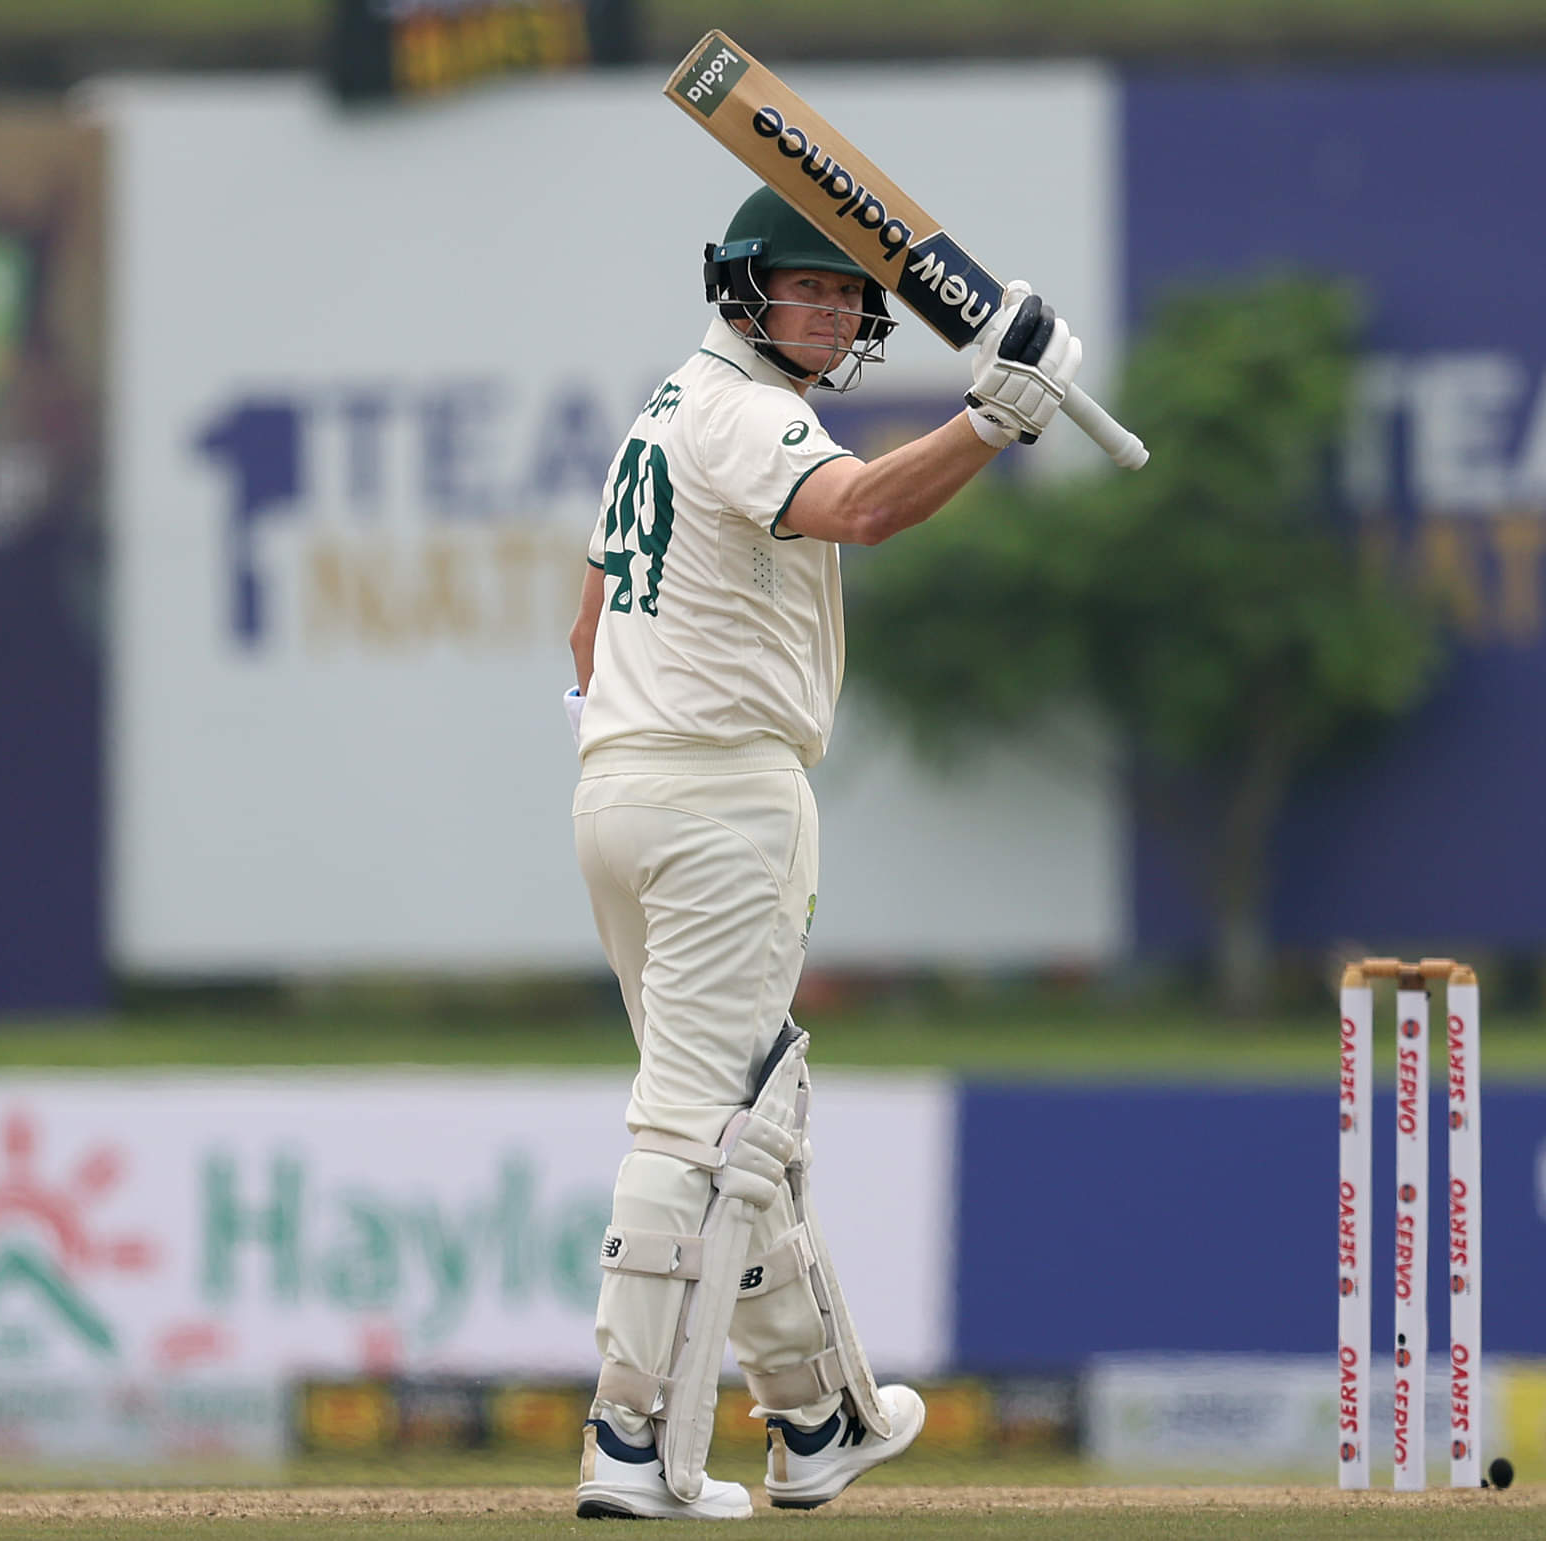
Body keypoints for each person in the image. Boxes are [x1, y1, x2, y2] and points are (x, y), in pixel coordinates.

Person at [565, 185, 1083, 1520]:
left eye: (855, 293)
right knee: (695, 1119)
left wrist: (627, 735)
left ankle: (815, 1416)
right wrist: (992, 420)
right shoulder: (753, 412)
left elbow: (586, 626)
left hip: (619, 785)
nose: (843, 310)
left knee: (747, 1119)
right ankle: (628, 1441)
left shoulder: (665, 410)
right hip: (721, 795)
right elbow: (858, 510)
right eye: (815, 287)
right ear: (744, 288)